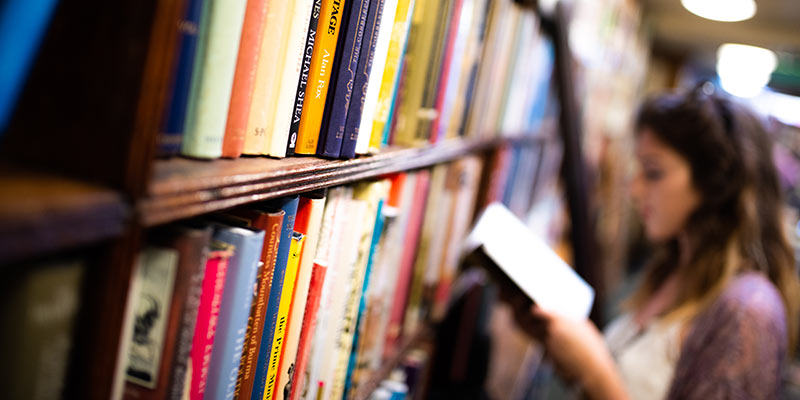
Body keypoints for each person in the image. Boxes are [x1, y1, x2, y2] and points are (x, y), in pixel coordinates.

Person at [528, 88, 800, 399]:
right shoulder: (674, 271)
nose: (635, 191)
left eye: (654, 173)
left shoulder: (748, 311)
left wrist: (595, 372)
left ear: (714, 182)